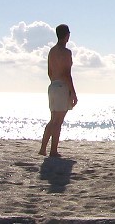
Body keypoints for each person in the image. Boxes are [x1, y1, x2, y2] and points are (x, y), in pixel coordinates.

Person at [39, 23, 77, 157]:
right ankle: (53, 150)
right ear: (67, 35)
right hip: (61, 86)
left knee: (53, 119)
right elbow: (67, 73)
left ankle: (43, 148)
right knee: (58, 121)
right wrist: (73, 92)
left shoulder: (52, 51)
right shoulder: (65, 52)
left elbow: (49, 72)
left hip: (53, 85)